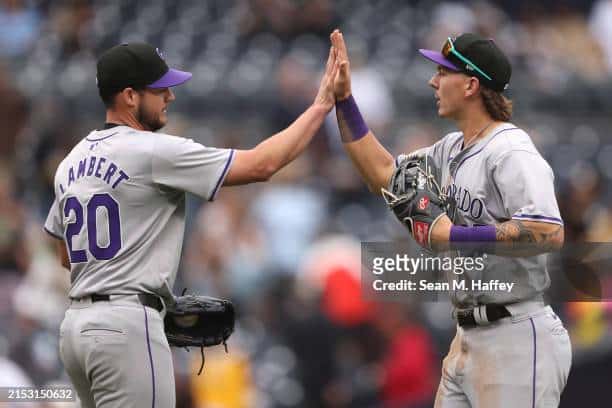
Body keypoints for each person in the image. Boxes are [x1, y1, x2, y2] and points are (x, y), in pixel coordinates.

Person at [43, 42, 338, 407]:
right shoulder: (152, 150)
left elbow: (65, 255)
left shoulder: (71, 162)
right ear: (130, 96)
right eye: (159, 88)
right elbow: (262, 165)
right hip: (127, 326)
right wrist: (322, 104)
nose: (170, 95)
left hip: (76, 331)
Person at [330, 30, 572, 407]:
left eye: (443, 72)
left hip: (517, 337)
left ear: (471, 84)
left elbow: (548, 231)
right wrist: (344, 101)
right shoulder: (449, 150)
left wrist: (455, 235)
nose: (433, 80)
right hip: (468, 336)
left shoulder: (510, 150)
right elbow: (382, 173)